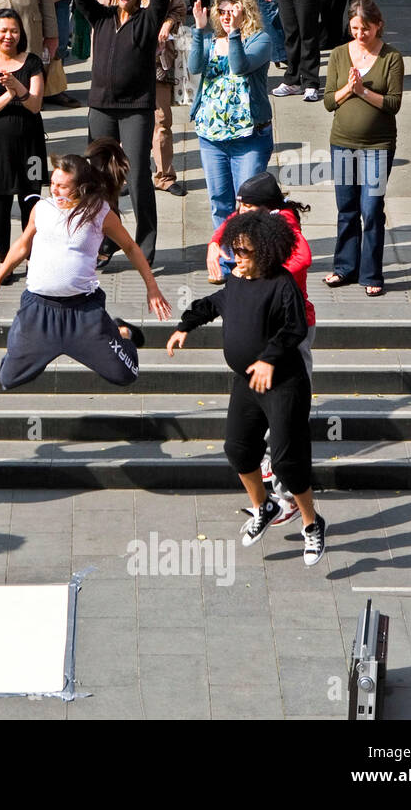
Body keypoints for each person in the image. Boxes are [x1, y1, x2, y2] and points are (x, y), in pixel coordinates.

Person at [169, 209, 325, 563]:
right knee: (238, 449)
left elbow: (294, 329)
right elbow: (215, 303)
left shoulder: (282, 284)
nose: (236, 258)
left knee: (287, 463)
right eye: (234, 250)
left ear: (266, 252)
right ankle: (264, 506)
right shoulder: (238, 279)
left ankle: (312, 523)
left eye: (244, 252)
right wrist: (185, 326)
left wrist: (269, 358)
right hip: (248, 383)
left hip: (284, 384)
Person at [0, 146, 171, 391]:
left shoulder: (99, 211)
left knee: (125, 374)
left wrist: (152, 288)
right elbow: (23, 245)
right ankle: (26, 341)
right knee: (8, 378)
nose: (55, 190)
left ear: (81, 187)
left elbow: (131, 247)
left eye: (62, 186)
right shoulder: (42, 209)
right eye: (53, 183)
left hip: (83, 312)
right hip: (39, 310)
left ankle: (123, 333)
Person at [65, 0, 169, 269]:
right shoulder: (103, 17)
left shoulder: (147, 20)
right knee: (98, 180)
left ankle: (144, 246)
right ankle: (103, 242)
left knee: (138, 176)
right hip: (101, 109)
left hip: (136, 109)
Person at [189, 0, 274, 281]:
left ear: (245, 11)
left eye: (232, 12)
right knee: (220, 202)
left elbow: (239, 67)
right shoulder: (213, 39)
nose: (226, 18)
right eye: (221, 12)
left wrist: (235, 33)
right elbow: (194, 66)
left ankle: (249, 261)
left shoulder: (260, 40)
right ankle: (225, 263)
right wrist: (199, 32)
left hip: (249, 136)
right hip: (211, 135)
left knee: (248, 204)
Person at [98, 0, 188, 197]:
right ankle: (124, 177)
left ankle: (165, 175)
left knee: (161, 120)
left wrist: (169, 23)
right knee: (125, 122)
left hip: (157, 61)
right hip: (125, 65)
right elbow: (99, 18)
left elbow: (178, 8)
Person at [322, 0, 401, 296]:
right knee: (347, 208)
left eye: (365, 29)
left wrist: (362, 91)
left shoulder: (392, 58)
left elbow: (393, 104)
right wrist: (347, 89)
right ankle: (344, 267)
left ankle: (371, 273)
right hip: (342, 143)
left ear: (378, 25)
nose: (359, 34)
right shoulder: (340, 54)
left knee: (371, 207)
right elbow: (329, 100)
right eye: (354, 28)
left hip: (378, 146)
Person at [207, 172, 314, 380]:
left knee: (297, 377)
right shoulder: (257, 218)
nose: (242, 211)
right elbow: (232, 220)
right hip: (268, 317)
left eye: (248, 206)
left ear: (267, 206)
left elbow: (304, 257)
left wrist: (261, 273)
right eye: (241, 205)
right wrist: (214, 242)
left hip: (292, 320)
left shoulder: (284, 223)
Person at [0, 8, 46, 267]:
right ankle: (5, 261)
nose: (8, 36)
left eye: (14, 30)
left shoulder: (33, 62)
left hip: (32, 146)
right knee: (0, 205)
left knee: (32, 203)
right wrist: (9, 94)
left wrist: (19, 87)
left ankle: (33, 259)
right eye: (3, 30)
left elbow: (36, 105)